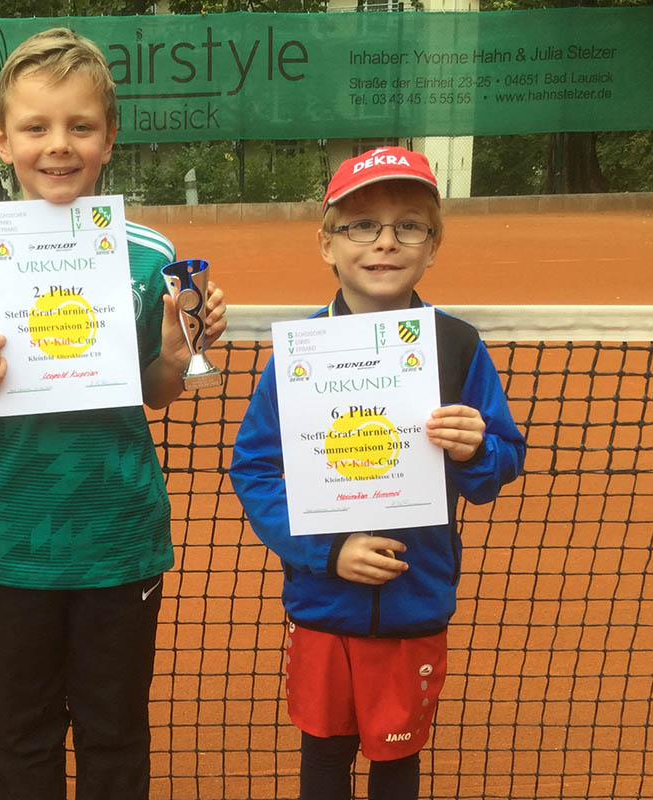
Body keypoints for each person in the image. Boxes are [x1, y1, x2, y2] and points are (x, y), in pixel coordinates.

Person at [0, 27, 227, 800]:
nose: (57, 145)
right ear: (2, 140)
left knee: (114, 733)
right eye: (35, 127)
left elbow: (156, 390)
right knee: (18, 737)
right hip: (11, 542)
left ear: (109, 137)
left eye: (79, 126)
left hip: (118, 540)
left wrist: (175, 351)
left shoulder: (149, 255)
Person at [229, 147, 526, 800]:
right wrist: (328, 550)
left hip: (414, 603)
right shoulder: (298, 355)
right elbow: (254, 468)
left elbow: (499, 464)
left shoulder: (457, 347)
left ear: (432, 245)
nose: (385, 242)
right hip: (321, 604)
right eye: (361, 225)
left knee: (397, 762)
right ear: (327, 245)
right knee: (323, 759)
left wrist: (475, 449)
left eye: (408, 226)